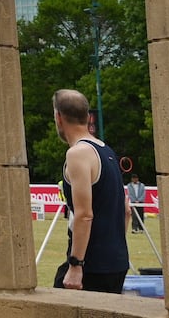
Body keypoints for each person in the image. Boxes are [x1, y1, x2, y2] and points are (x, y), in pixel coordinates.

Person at [52, 89, 129, 294]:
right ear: (88, 117)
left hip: (91, 266)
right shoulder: (105, 150)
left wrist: (76, 265)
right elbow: (126, 209)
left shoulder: (78, 154)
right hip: (116, 262)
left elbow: (84, 215)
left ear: (58, 117)